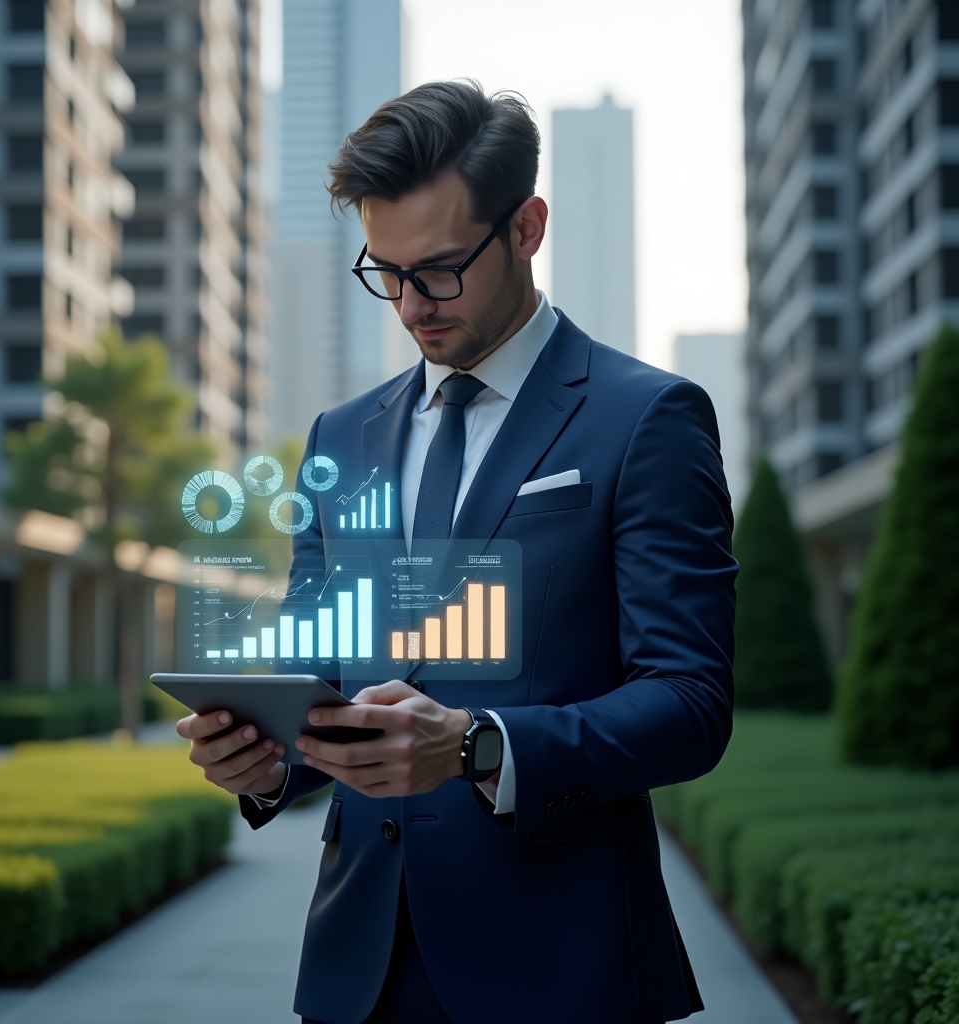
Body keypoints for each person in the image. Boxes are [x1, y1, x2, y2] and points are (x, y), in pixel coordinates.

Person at [177, 79, 736, 1024]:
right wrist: (269, 759)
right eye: (384, 272)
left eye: (438, 269)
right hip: (358, 970)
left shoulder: (648, 418)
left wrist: (481, 745)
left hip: (562, 966)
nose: (409, 305)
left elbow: (690, 702)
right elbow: (317, 667)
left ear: (527, 227)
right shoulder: (341, 436)